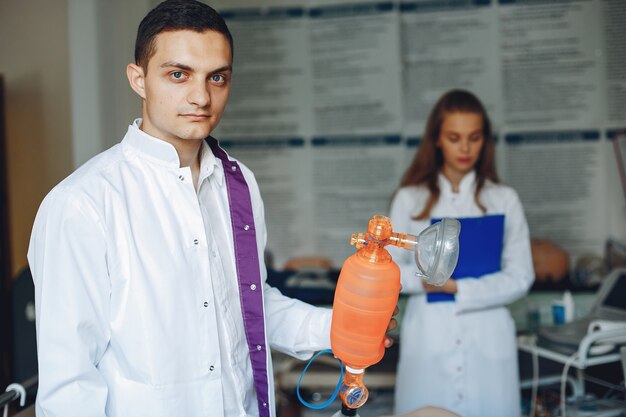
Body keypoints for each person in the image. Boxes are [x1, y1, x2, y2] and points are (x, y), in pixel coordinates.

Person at [27, 1, 396, 416]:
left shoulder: (238, 183)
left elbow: (247, 307)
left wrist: (346, 328)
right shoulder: (83, 204)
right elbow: (69, 386)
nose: (201, 97)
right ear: (139, 79)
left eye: (216, 77)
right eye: (178, 75)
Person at [389, 89, 534, 417]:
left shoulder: (504, 199)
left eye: (474, 137)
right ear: (437, 139)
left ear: (486, 141)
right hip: (429, 332)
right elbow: (392, 269)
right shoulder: (409, 199)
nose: (465, 148)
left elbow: (522, 276)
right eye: (454, 138)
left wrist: (460, 288)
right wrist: (426, 281)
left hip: (488, 336)